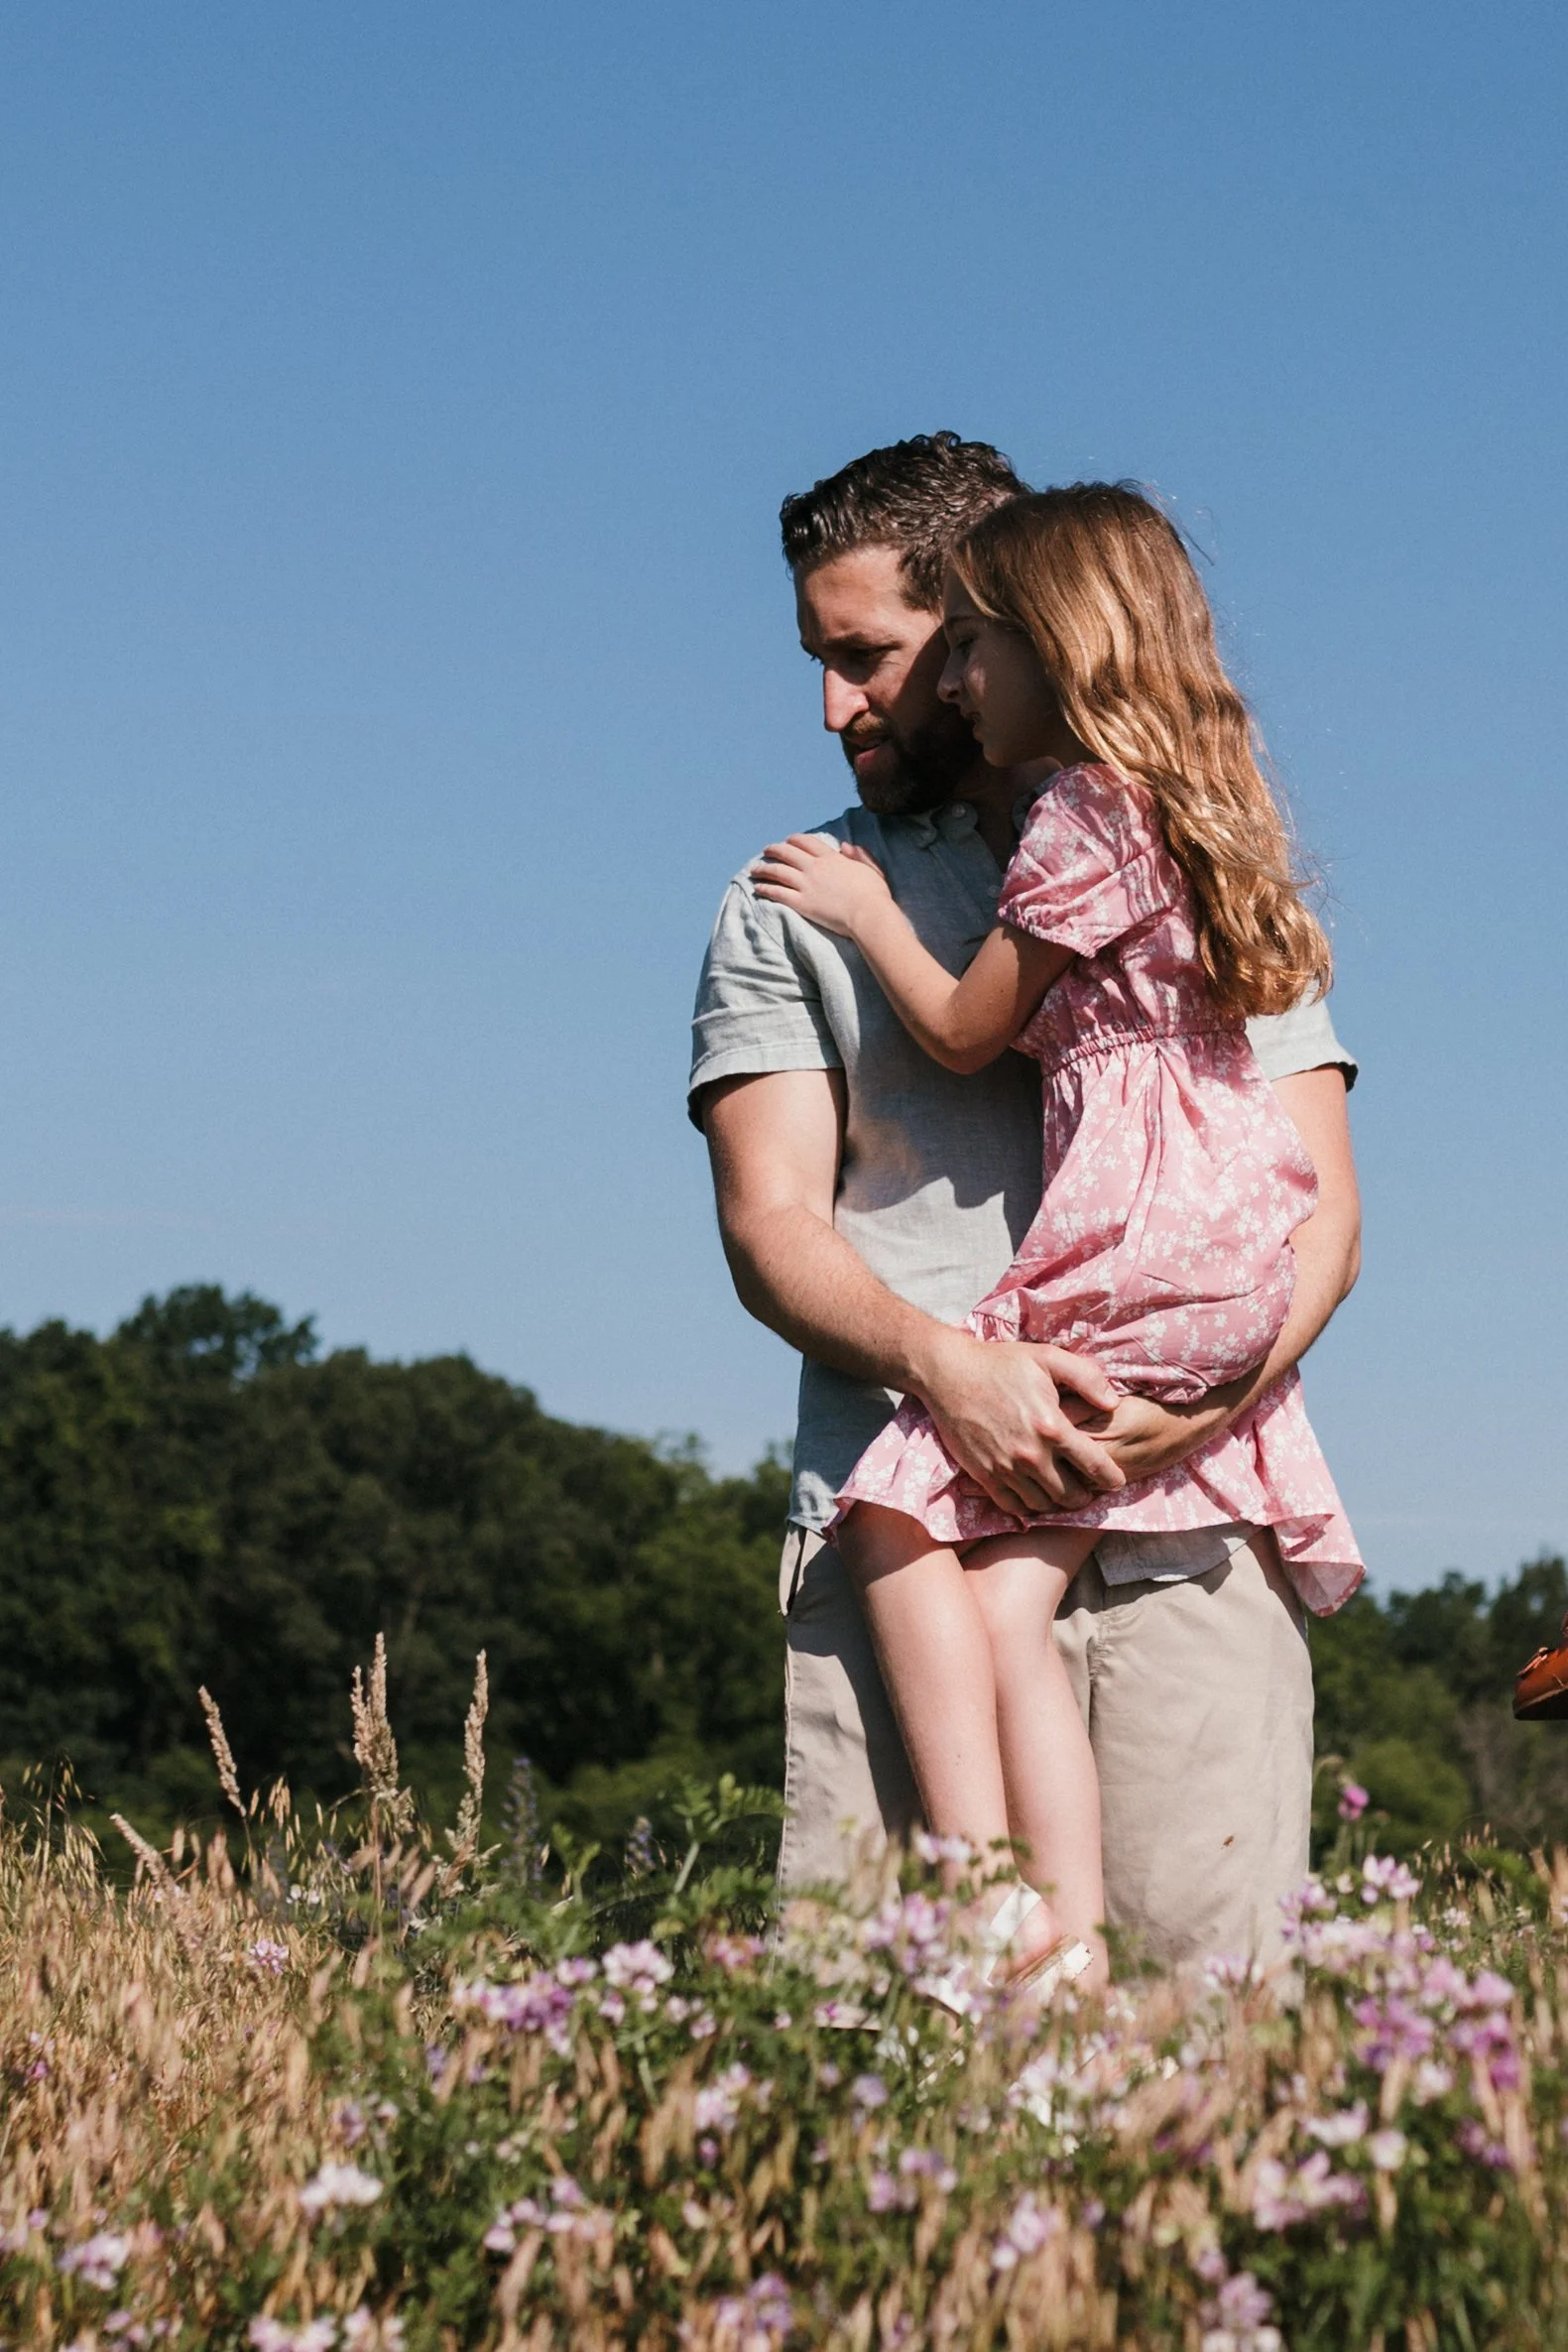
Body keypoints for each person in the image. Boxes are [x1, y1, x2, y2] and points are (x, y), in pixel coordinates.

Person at [689, 434, 1362, 1970]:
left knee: (1204, 2057)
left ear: (996, 625)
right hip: (917, 1513)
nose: (830, 706)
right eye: (815, 657)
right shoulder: (789, 897)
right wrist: (953, 1370)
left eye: (870, 656)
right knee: (917, 2077)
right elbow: (768, 1224)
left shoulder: (1198, 846)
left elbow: (1322, 1217)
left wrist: (1179, 1419)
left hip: (1185, 1534)